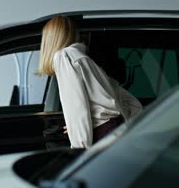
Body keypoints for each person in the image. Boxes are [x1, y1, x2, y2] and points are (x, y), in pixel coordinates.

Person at [38, 16, 142, 148]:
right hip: (116, 132)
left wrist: (79, 150)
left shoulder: (64, 57)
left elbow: (78, 110)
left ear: (49, 40)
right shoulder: (86, 61)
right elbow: (131, 104)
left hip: (102, 136)